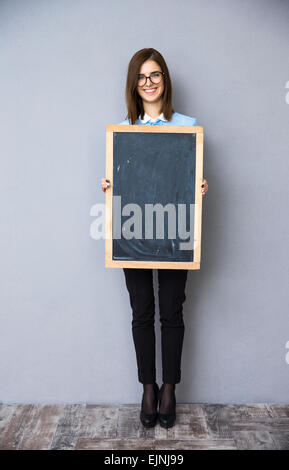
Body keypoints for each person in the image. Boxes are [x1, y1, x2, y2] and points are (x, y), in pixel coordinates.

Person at [101, 48, 208, 428]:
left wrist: (199, 186)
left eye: (155, 75)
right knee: (141, 312)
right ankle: (148, 387)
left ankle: (169, 389)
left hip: (175, 229)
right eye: (142, 77)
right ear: (135, 84)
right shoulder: (123, 132)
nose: (149, 83)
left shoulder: (186, 125)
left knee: (172, 311)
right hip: (133, 228)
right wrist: (110, 186)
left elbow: (187, 182)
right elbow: (123, 184)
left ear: (165, 80)